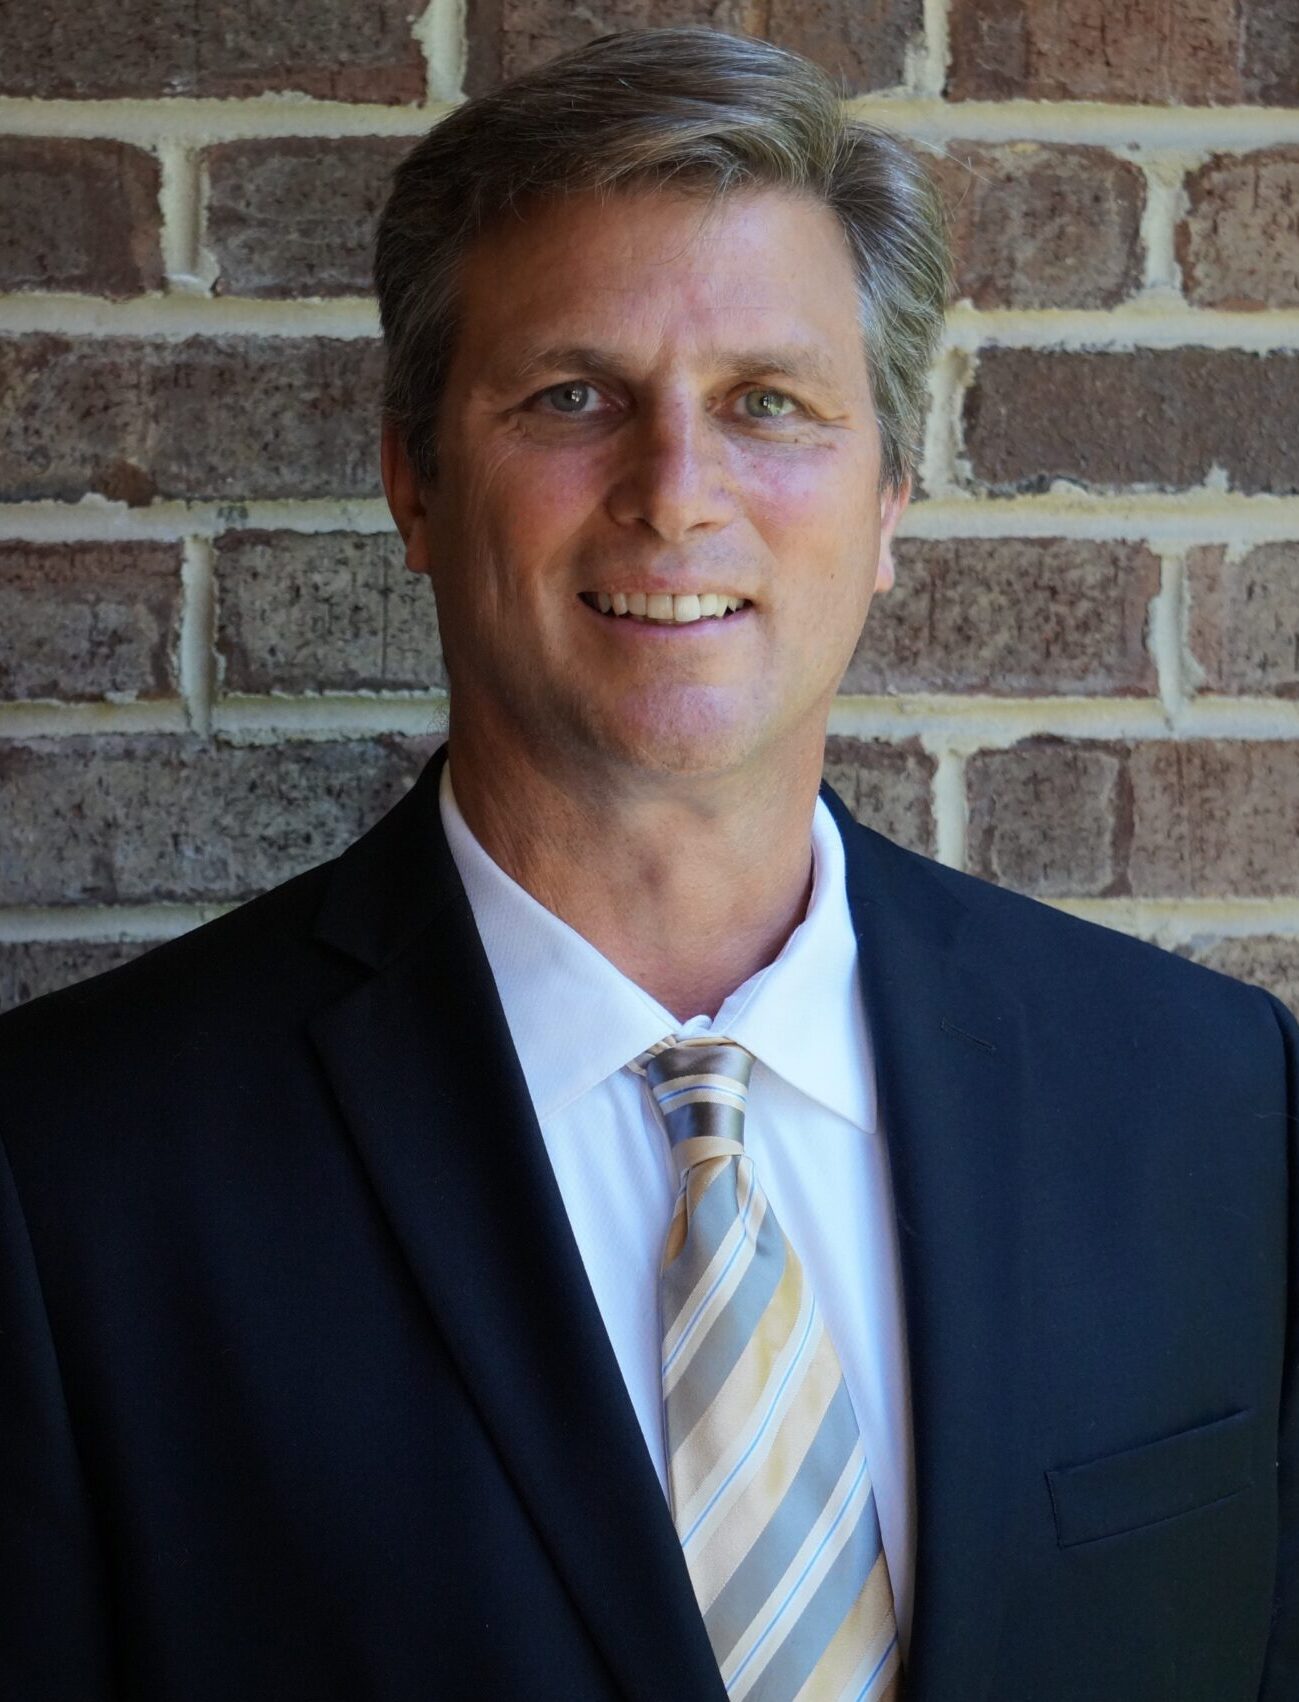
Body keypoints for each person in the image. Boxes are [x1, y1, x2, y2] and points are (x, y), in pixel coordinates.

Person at [1, 25, 1295, 1702]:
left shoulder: (1214, 1106)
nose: (676, 494)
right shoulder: (77, 1180)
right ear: (413, 475)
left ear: (892, 495)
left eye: (770, 403)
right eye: (572, 397)